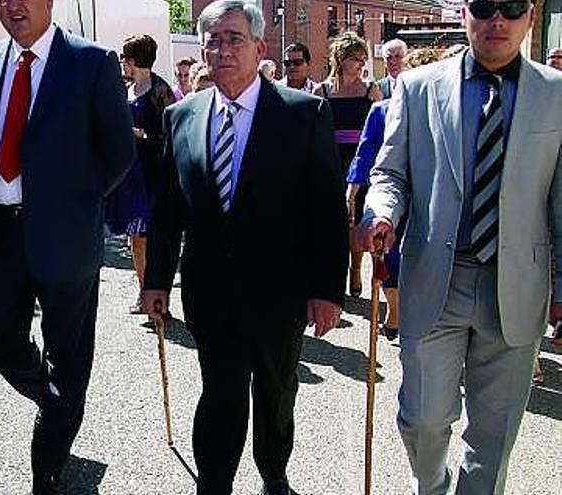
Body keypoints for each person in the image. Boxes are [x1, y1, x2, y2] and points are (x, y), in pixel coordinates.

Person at [352, 0, 562, 492]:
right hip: (435, 280)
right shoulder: (418, 87)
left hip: (516, 286)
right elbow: (390, 173)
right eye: (485, 6)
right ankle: (432, 485)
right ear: (464, 13)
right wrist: (381, 211)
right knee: (422, 420)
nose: (497, 20)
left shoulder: (556, 96)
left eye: (510, 8)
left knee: (494, 439)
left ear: (530, 17)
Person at [143, 2, 348, 494]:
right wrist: (155, 280)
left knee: (276, 391)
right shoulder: (181, 116)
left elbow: (325, 207)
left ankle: (273, 473)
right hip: (210, 289)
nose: (221, 49)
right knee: (220, 391)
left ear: (259, 47)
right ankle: (214, 480)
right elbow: (169, 209)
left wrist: (328, 290)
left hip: (280, 290)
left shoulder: (302, 113)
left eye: (233, 38)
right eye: (212, 40)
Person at [0, 0, 134, 492]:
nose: (14, 6)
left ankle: (49, 464)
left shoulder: (91, 61)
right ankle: (57, 400)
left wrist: (74, 203)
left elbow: (118, 151)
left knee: (69, 351)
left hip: (65, 234)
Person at [346, 48, 440, 341]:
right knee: (390, 254)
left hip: (434, 199)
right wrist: (352, 191)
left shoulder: (448, 114)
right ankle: (395, 308)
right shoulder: (382, 110)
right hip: (393, 196)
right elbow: (366, 154)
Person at [106, 34, 176, 315]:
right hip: (129, 173)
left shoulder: (160, 90)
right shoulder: (126, 88)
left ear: (133, 60)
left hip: (152, 173)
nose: (123, 63)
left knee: (152, 237)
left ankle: (158, 295)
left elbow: (171, 133)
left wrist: (139, 133)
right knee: (135, 238)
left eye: (125, 58)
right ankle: (143, 291)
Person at [314, 31, 382, 299]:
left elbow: (381, 130)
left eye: (363, 58)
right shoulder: (323, 91)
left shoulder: (370, 90)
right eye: (356, 58)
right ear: (340, 59)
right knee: (334, 223)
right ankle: (335, 278)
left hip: (363, 163)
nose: (361, 64)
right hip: (332, 161)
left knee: (359, 220)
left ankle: (356, 271)